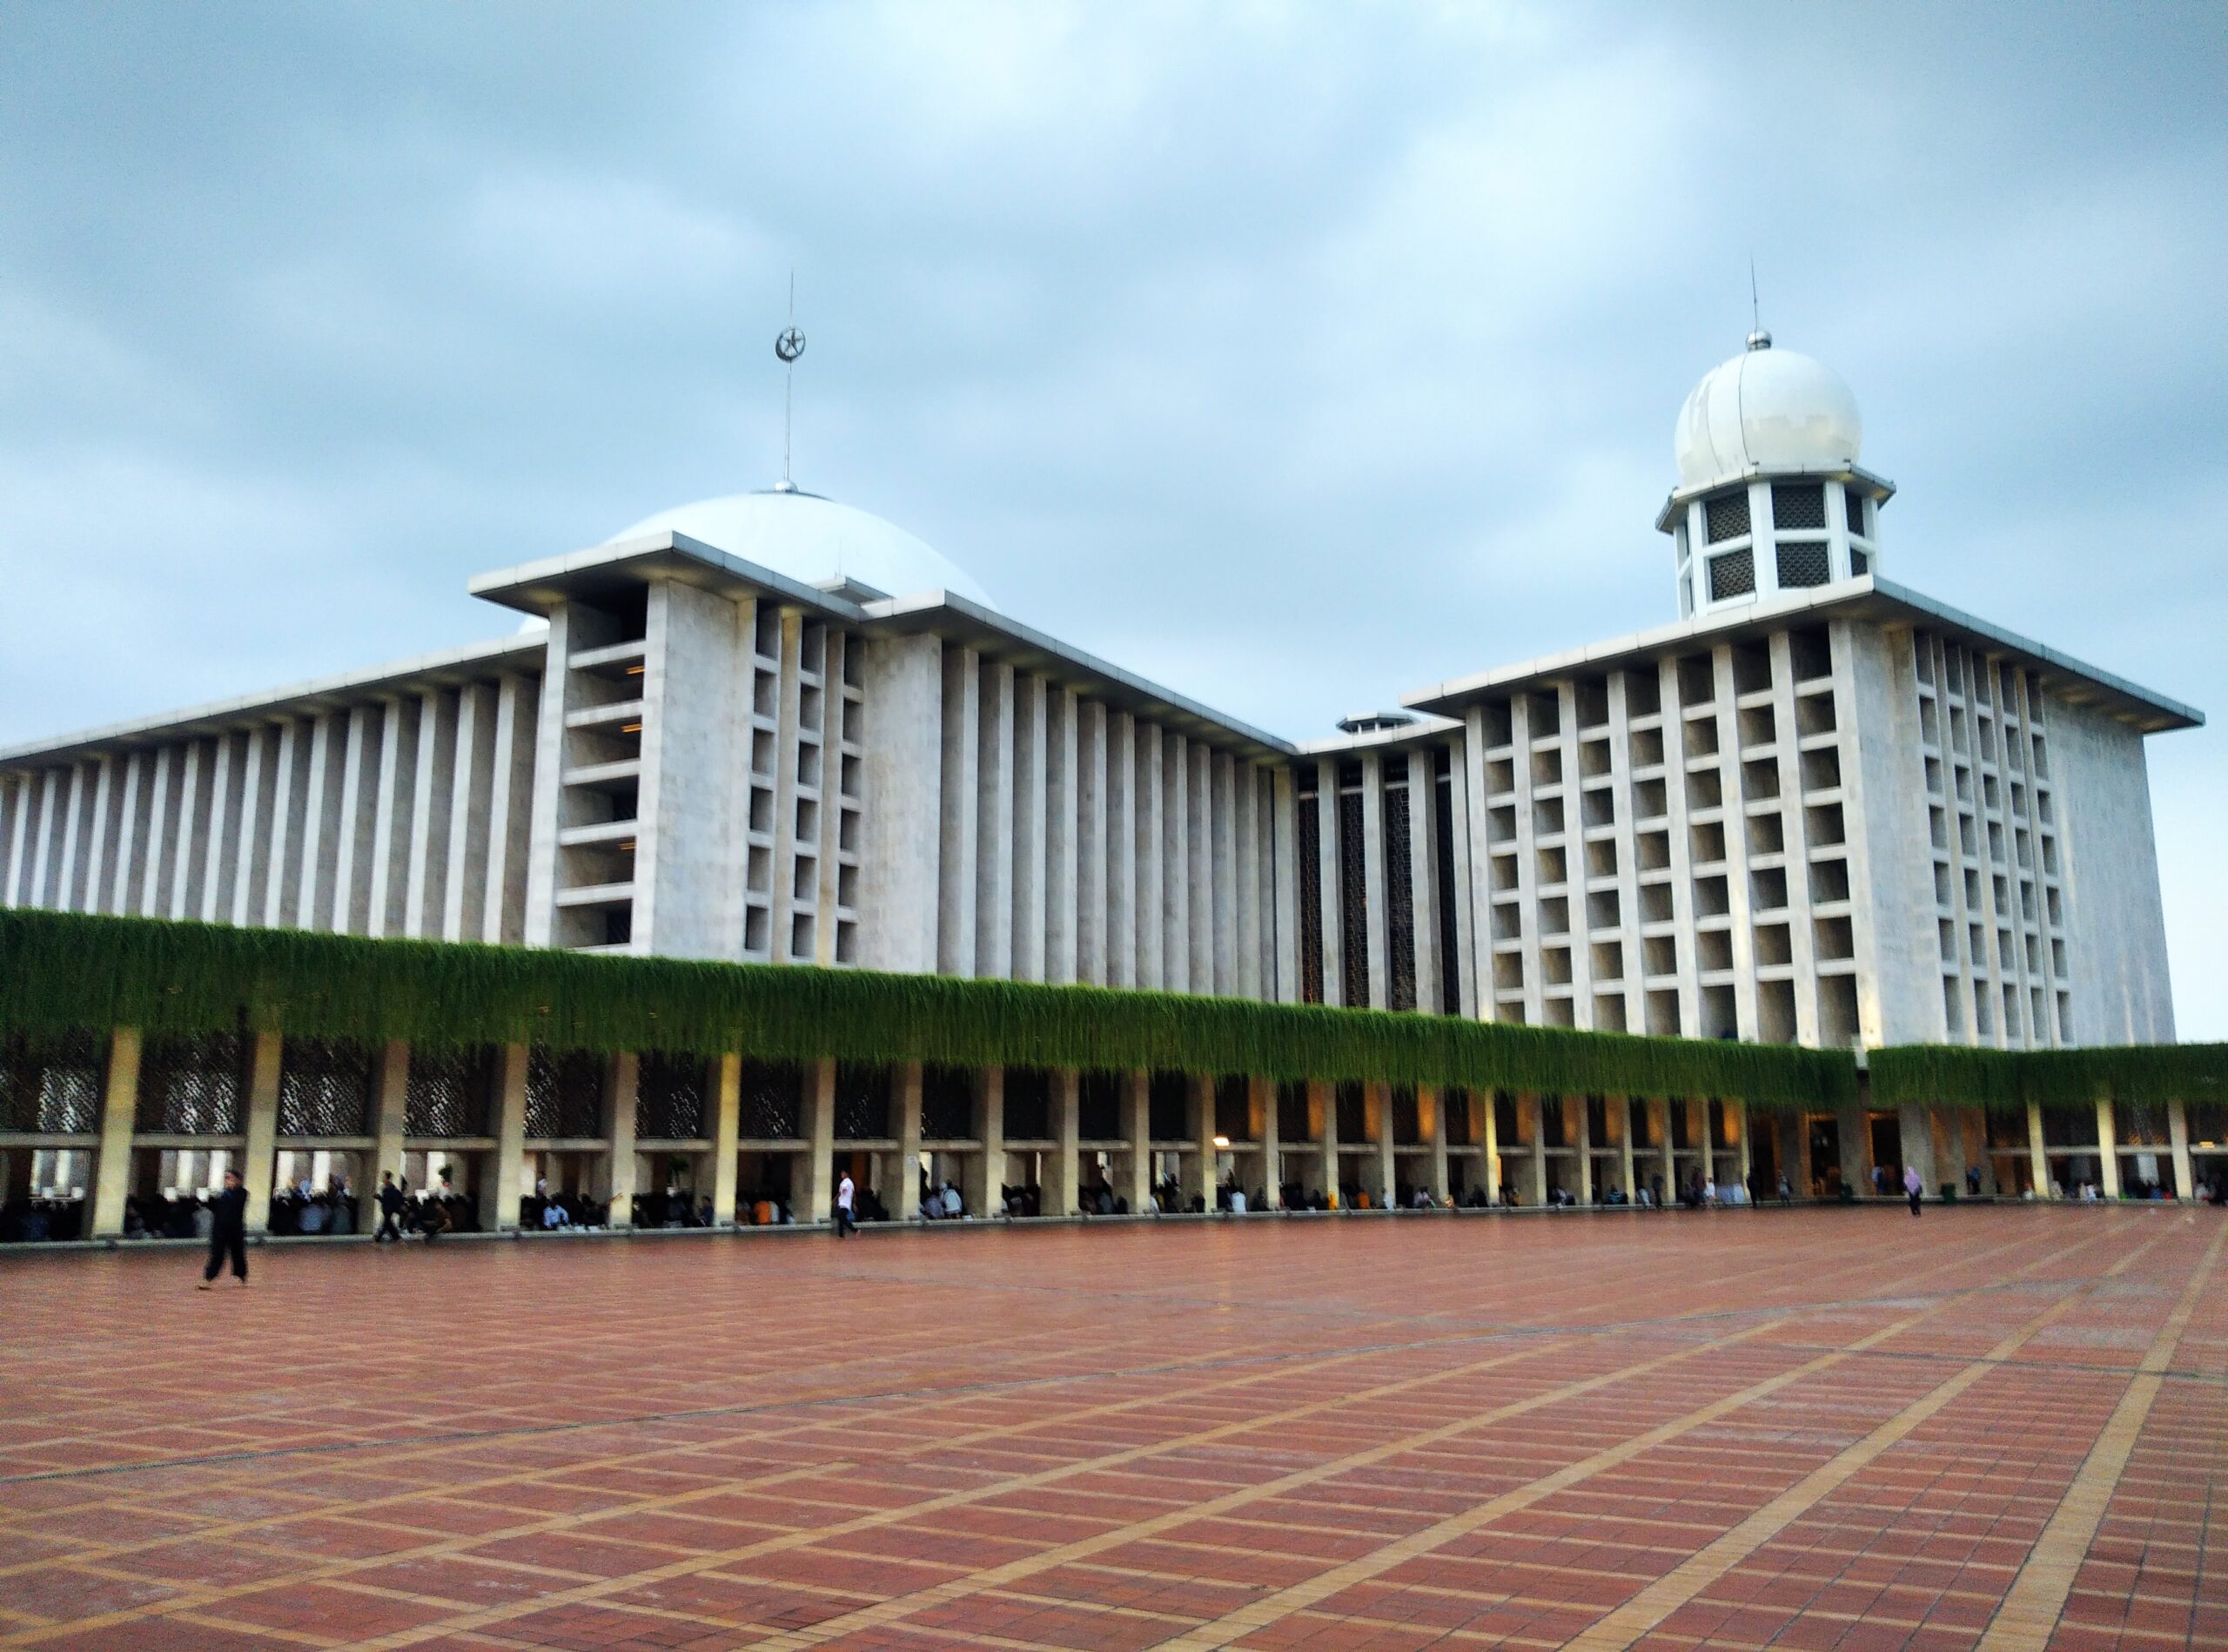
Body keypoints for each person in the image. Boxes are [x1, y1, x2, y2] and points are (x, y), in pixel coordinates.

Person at [198, 1169, 247, 1289]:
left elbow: (236, 1204)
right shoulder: (222, 1194)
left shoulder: (242, 1193)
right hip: (220, 1229)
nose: (227, 1180)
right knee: (217, 1254)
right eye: (226, 1178)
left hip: (235, 1229)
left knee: (237, 1254)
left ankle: (240, 1276)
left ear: (237, 1179)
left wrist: (228, 1193)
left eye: (230, 1178)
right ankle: (208, 1278)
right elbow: (214, 1208)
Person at [374, 1172, 406, 1244]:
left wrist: (379, 1198)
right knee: (388, 1224)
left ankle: (377, 1240)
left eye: (383, 1177)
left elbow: (387, 1200)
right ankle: (397, 1238)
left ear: (387, 1178)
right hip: (387, 1209)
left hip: (388, 1209)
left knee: (386, 1224)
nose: (382, 1178)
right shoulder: (386, 1188)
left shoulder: (389, 1189)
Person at [834, 1170, 856, 1237]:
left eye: (843, 1173)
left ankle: (853, 1230)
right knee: (841, 1218)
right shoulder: (851, 1183)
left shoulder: (845, 1183)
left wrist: (835, 1199)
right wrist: (854, 1203)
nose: (842, 1174)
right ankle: (841, 1233)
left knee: (841, 1218)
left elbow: (841, 1192)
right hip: (846, 1203)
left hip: (844, 1203)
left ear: (847, 1174)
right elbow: (853, 1193)